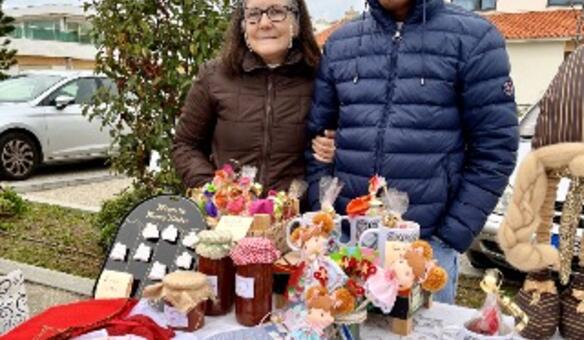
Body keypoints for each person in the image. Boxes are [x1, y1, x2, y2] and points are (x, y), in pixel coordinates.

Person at [307, 0, 519, 304]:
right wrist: (325, 211)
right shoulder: (342, 43)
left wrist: (450, 236)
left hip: (426, 246)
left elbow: (495, 149)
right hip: (348, 243)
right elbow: (317, 138)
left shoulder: (474, 38)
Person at [172, 0, 329, 192]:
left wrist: (334, 148)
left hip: (297, 217)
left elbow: (342, 139)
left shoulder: (320, 77)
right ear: (243, 25)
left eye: (276, 12)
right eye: (253, 14)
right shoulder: (214, 76)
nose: (264, 23)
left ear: (296, 23)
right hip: (228, 218)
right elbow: (185, 146)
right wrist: (214, 189)